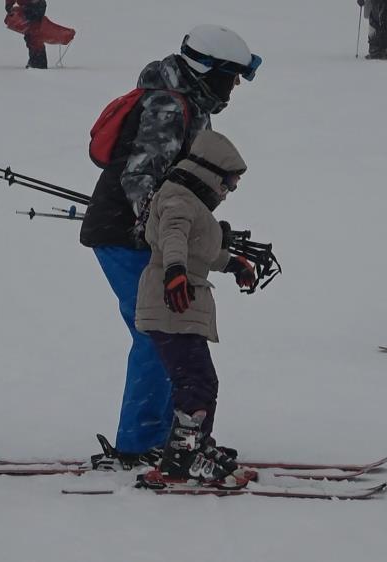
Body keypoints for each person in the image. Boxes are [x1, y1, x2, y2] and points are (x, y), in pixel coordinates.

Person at [79, 26, 261, 468]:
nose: (234, 87)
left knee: (169, 331)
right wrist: (167, 233)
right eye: (231, 76)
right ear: (207, 70)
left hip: (148, 235)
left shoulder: (192, 105)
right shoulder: (167, 106)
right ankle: (140, 442)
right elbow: (141, 179)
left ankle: (168, 435)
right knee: (155, 332)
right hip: (125, 236)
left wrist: (206, 232)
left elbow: (182, 187)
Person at [135, 130, 257, 488]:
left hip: (178, 302)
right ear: (210, 172)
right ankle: (183, 459)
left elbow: (199, 249)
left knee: (199, 381)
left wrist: (233, 263)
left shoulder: (188, 201)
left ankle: (193, 447)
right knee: (196, 381)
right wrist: (175, 272)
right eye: (228, 183)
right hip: (172, 301)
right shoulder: (178, 200)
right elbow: (173, 236)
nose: (228, 191)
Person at [5, 0, 49, 68]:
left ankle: (38, 62)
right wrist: (9, 5)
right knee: (30, 35)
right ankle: (37, 61)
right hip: (28, 7)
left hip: (36, 6)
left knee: (34, 34)